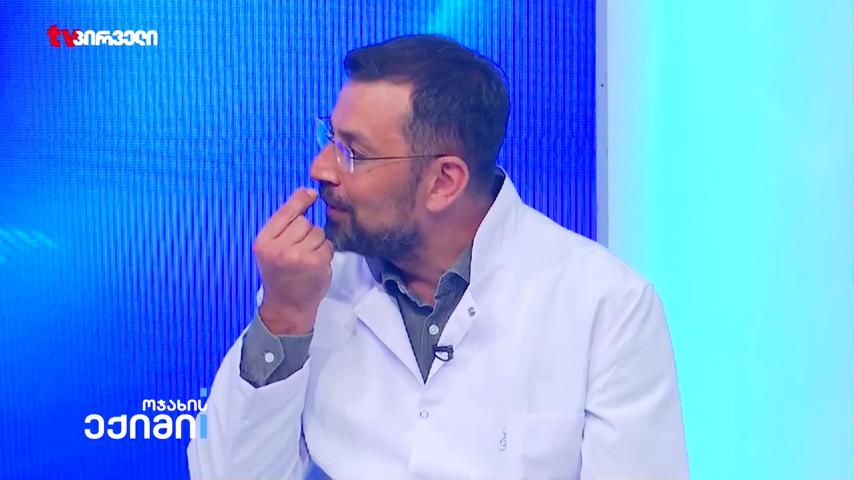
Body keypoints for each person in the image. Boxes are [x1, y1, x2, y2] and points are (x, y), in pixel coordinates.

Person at [188, 34, 689, 480]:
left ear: (444, 181)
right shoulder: (308, 288)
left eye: (353, 153)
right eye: (329, 137)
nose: (321, 169)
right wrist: (284, 318)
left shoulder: (607, 304)